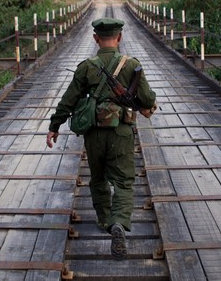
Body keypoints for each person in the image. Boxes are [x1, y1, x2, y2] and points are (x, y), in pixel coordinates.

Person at [46, 17, 157, 260]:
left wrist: (55, 125)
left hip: (94, 133)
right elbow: (148, 99)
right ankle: (118, 222)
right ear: (120, 37)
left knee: (97, 179)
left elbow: (69, 99)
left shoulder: (87, 66)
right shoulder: (132, 65)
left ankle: (105, 219)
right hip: (122, 133)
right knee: (124, 181)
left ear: (96, 38)